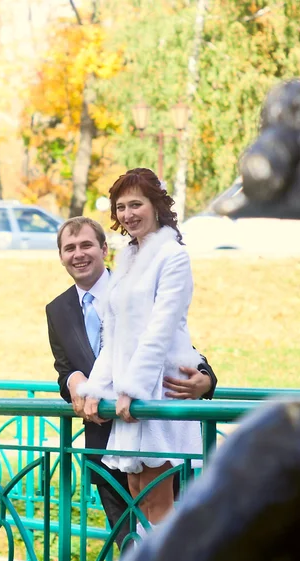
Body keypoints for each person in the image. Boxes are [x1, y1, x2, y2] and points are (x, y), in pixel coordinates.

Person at [46, 214, 216, 549]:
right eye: (69, 248)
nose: (78, 254)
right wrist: (74, 381)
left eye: (86, 245)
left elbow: (173, 342)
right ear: (61, 256)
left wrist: (207, 380)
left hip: (154, 432)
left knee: (165, 533)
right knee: (127, 544)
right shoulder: (57, 309)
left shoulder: (134, 286)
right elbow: (64, 369)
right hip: (104, 442)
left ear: (104, 249)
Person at [76, 168, 205, 528]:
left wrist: (132, 389)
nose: (128, 214)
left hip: (158, 389)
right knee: (136, 489)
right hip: (129, 395)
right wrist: (96, 389)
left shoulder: (173, 256)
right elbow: (113, 335)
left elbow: (160, 330)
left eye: (137, 204)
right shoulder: (128, 258)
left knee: (157, 498)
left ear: (156, 206)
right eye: (121, 206)